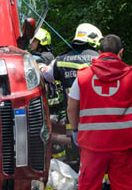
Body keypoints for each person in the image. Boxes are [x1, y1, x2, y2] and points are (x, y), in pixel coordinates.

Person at [67, 35, 132, 190]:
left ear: (100, 52)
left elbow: (72, 107)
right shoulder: (131, 75)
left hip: (92, 144)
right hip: (121, 144)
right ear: (121, 52)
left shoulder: (83, 75)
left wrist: (74, 130)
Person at [42, 23, 102, 166]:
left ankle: (86, 186)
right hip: (98, 120)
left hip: (74, 122)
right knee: (100, 162)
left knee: (84, 162)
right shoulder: (100, 59)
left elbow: (46, 76)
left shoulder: (61, 59)